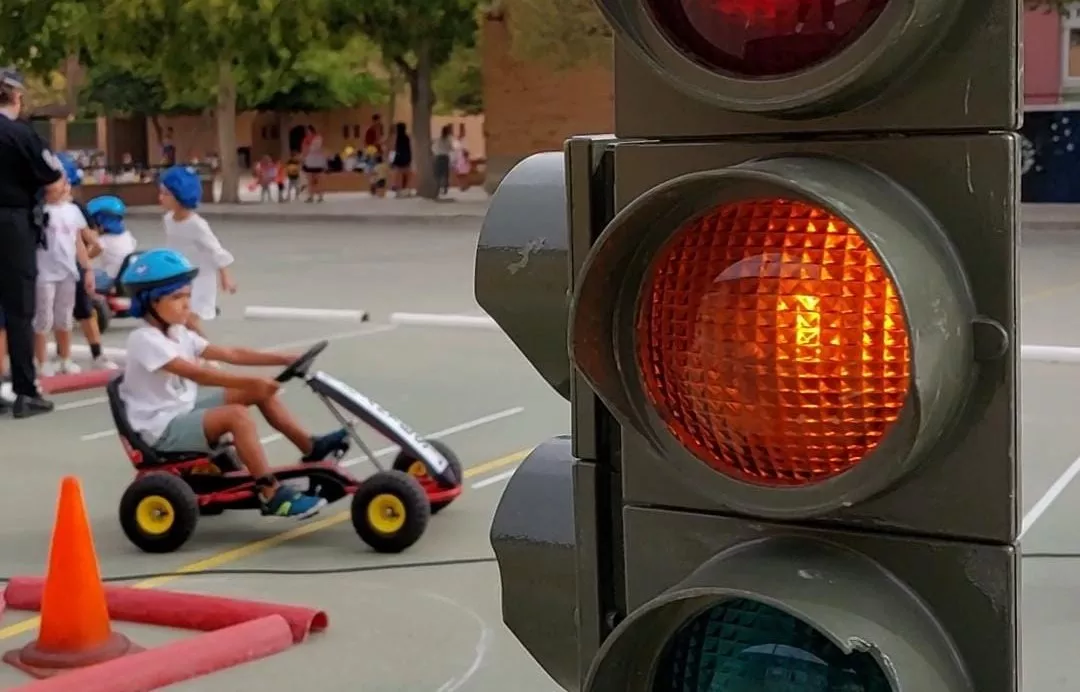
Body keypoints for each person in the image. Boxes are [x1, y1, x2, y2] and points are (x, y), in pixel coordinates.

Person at [117, 248, 348, 518]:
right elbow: (197, 374)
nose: (186, 304)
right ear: (151, 302)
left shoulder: (180, 334)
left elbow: (230, 354)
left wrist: (283, 358)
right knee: (237, 416)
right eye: (176, 297)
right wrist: (254, 381)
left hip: (181, 413)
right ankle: (270, 492)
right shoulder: (144, 340)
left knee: (256, 393)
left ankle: (312, 448)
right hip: (161, 429)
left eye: (188, 296)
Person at [0, 66, 60, 417]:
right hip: (12, 224)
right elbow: (52, 177)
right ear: (16, 96)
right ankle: (25, 389)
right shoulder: (21, 135)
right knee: (19, 308)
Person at [159, 165, 236, 338]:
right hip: (180, 277)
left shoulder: (197, 225)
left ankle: (209, 355)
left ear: (180, 195)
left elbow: (215, 249)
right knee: (178, 320)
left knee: (190, 321)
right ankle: (196, 354)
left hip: (200, 279)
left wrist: (225, 276)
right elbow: (172, 246)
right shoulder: (168, 220)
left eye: (166, 194)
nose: (161, 198)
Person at [57, 152, 117, 370]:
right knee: (55, 314)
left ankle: (96, 352)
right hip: (55, 266)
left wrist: (85, 265)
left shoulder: (75, 209)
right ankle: (61, 355)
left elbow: (92, 241)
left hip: (72, 265)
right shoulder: (44, 207)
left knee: (81, 310)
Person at [33, 173, 92, 375]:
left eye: (65, 183)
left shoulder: (73, 210)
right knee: (43, 318)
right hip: (44, 272)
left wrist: (87, 269)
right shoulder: (39, 211)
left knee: (65, 317)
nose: (63, 187)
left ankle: (65, 358)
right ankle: (41, 362)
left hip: (68, 271)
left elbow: (78, 242)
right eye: (58, 183)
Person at [85, 195, 137, 291]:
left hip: (111, 279)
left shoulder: (102, 241)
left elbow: (87, 257)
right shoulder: (126, 235)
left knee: (81, 277)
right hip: (127, 276)